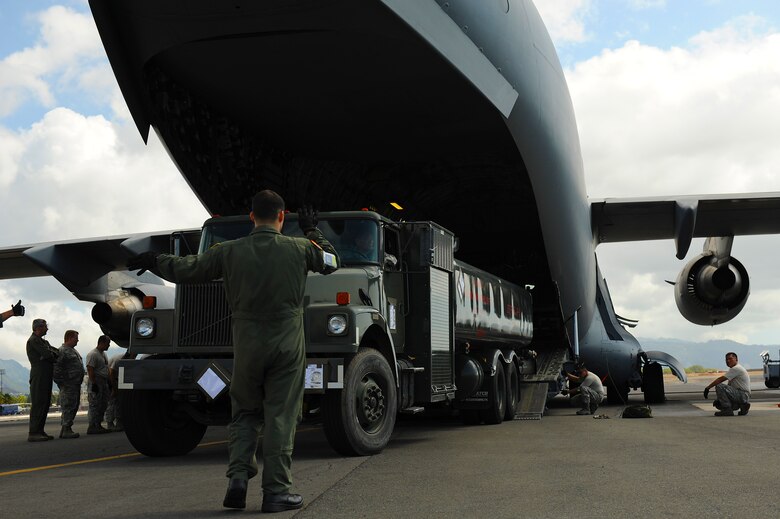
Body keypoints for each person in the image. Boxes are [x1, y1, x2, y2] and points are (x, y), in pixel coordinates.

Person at [128, 190, 338, 513]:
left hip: (247, 347)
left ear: (251, 217)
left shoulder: (229, 251)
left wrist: (154, 261)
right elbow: (332, 261)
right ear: (282, 217)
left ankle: (238, 479)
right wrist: (312, 231)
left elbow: (186, 269)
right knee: (280, 416)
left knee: (245, 414)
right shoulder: (300, 249)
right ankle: (276, 491)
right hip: (287, 346)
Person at [26, 318, 58, 442]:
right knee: (38, 403)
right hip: (39, 375)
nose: (47, 329)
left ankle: (40, 430)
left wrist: (49, 355)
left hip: (46, 374)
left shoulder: (43, 341)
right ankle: (33, 432)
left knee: (45, 403)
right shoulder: (33, 340)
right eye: (45, 326)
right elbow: (49, 355)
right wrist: (49, 354)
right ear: (38, 328)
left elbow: (55, 353)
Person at [53, 330, 85, 439]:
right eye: (76, 338)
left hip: (75, 384)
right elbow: (56, 368)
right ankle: (66, 429)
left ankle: (65, 429)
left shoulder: (72, 350)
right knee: (68, 406)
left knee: (73, 406)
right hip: (68, 385)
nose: (78, 340)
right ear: (70, 338)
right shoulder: (62, 351)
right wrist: (62, 383)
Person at [703, 352, 751, 416]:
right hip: (742, 395)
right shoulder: (734, 370)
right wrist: (719, 400)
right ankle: (743, 406)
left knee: (719, 386)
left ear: (736, 359)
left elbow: (720, 379)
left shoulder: (736, 368)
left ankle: (727, 410)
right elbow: (729, 388)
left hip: (742, 394)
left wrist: (707, 388)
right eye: (726, 359)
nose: (728, 361)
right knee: (718, 404)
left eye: (730, 359)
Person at [86, 335, 111, 434]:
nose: (109, 346)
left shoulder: (103, 354)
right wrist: (94, 384)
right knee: (95, 404)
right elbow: (90, 369)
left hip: (103, 381)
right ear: (102, 342)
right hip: (96, 380)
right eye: (107, 344)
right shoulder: (93, 354)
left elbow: (105, 368)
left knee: (103, 404)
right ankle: (92, 426)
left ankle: (98, 424)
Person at [105, 351, 129, 432]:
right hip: (110, 380)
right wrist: (114, 388)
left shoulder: (129, 359)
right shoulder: (119, 359)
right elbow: (111, 373)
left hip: (117, 380)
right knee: (112, 402)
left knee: (118, 402)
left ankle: (119, 422)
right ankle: (110, 423)